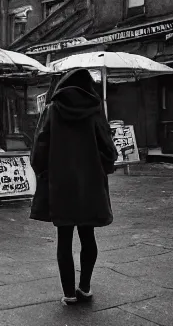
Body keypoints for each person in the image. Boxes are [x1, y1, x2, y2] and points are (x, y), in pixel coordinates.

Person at [30, 68, 116, 306]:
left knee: (64, 237)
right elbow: (108, 148)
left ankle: (68, 293)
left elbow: (39, 149)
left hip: (61, 182)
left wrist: (43, 172)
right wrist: (103, 168)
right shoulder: (95, 111)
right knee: (88, 235)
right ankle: (85, 287)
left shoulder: (51, 111)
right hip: (90, 182)